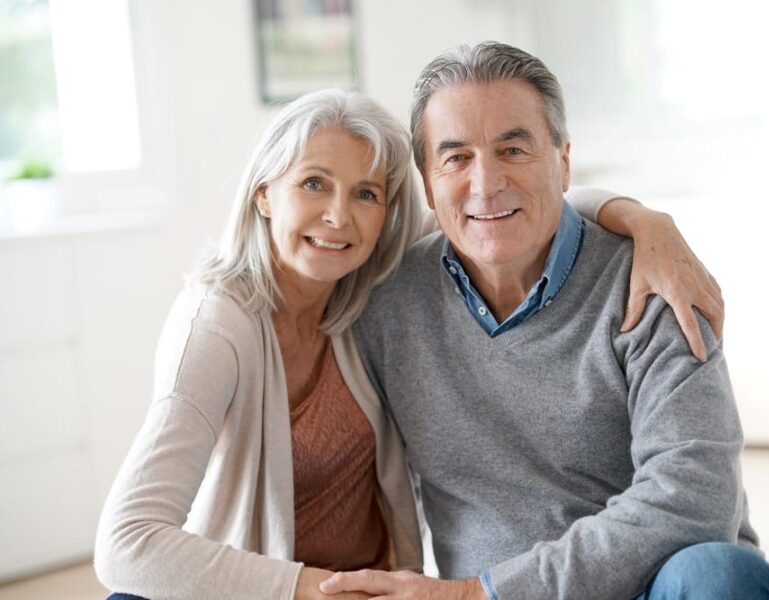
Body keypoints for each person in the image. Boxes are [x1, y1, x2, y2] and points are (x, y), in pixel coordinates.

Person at [94, 89, 725, 599]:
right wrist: (309, 589)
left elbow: (500, 208)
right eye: (313, 183)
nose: (339, 216)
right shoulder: (217, 327)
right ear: (263, 192)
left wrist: (641, 219)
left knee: (723, 576)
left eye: (365, 194)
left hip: (393, 587)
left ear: (389, 211)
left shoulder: (368, 285)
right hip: (297, 589)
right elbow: (124, 543)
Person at [319, 43, 769, 600]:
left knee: (720, 578)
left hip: (638, 588)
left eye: (513, 149)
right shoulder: (386, 302)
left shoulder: (653, 282)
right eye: (457, 158)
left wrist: (481, 593)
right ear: (427, 183)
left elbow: (697, 498)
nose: (486, 183)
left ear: (563, 163)